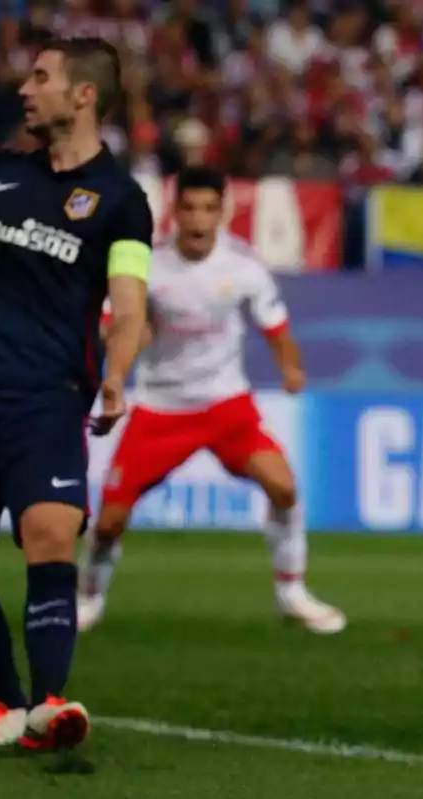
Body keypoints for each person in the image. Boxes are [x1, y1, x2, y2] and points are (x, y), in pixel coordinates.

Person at [0, 37, 153, 750]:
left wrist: (116, 373)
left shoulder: (122, 202)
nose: (23, 89)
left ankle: (50, 704)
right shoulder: (3, 172)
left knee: (49, 533)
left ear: (82, 95)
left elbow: (129, 304)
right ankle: (7, 704)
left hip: (48, 393)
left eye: (40, 77)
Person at [76, 166, 345, 635]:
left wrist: (291, 368)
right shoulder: (149, 265)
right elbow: (112, 324)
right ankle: (88, 599)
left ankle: (292, 592)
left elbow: (275, 325)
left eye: (208, 209)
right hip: (161, 408)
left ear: (223, 213)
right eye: (189, 208)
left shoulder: (243, 266)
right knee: (109, 522)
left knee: (283, 487)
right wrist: (127, 336)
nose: (199, 220)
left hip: (226, 407)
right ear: (174, 212)